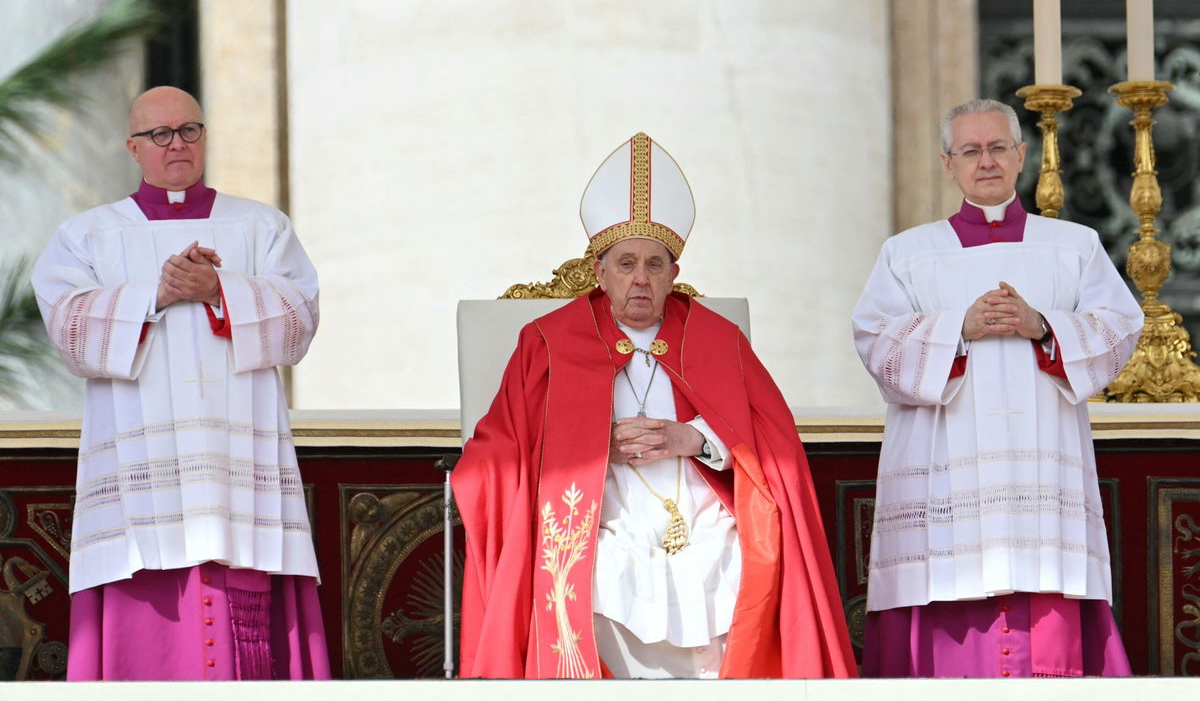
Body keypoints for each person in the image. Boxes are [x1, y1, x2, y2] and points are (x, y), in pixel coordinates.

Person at [453, 132, 856, 679]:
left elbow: (772, 443)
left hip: (704, 513)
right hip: (602, 517)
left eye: (654, 264)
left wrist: (697, 438)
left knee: (734, 561)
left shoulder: (718, 339)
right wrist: (593, 446)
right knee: (594, 570)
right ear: (599, 272)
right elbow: (496, 451)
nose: (640, 279)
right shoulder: (548, 342)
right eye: (625, 263)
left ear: (674, 275)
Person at [32, 86, 329, 680]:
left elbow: (300, 322)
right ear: (133, 147)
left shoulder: (260, 226)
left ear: (204, 137)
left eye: (189, 130)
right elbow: (69, 330)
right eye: (160, 135)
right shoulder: (86, 235)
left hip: (231, 463)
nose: (177, 145)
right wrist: (158, 295)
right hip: (140, 463)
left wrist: (219, 291)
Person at [851, 99, 1144, 678]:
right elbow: (875, 344)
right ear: (948, 164)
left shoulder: (1074, 245)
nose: (985, 162)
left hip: (1041, 470)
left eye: (996, 148)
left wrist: (1042, 326)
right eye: (970, 151)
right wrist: (957, 328)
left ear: (1020, 156)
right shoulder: (907, 253)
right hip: (946, 470)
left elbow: (1119, 329)